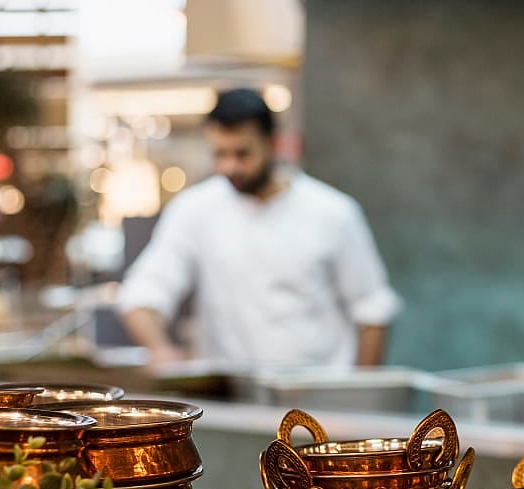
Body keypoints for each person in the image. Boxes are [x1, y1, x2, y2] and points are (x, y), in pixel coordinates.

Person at [117, 87, 401, 370]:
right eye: (220, 154)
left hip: (320, 388)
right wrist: (160, 349)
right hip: (231, 390)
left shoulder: (333, 212)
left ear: (274, 143)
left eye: (242, 154)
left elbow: (373, 312)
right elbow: (144, 292)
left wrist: (361, 388)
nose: (230, 166)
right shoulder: (194, 210)